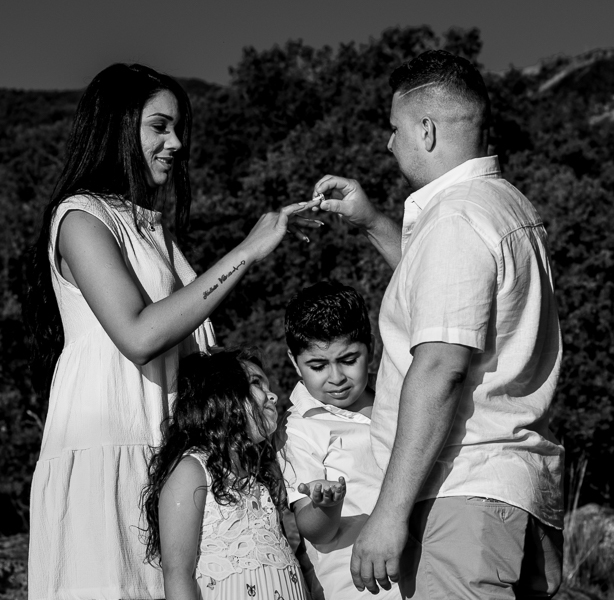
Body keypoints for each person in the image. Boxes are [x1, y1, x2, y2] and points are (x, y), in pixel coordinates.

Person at [24, 63, 318, 600]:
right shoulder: (80, 219)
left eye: (178, 128)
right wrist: (249, 250)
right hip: (109, 445)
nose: (176, 142)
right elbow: (137, 335)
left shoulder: (154, 231)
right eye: (159, 126)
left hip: (169, 454)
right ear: (117, 126)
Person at [313, 50, 565, 599]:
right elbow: (448, 307)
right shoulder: (507, 208)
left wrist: (388, 513)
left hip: (462, 493)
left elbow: (442, 367)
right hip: (512, 489)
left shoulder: (454, 220)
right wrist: (375, 223)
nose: (389, 144)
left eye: (394, 129)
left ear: (425, 129)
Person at [142, 350, 309, 600]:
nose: (272, 395)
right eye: (256, 383)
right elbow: (177, 573)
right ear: (220, 395)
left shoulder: (260, 477)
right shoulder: (192, 470)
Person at [280, 280, 400, 600]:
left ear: (371, 350)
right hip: (364, 589)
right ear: (295, 363)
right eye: (318, 365)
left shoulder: (401, 401)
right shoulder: (300, 430)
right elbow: (313, 528)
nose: (336, 378)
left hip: (430, 572)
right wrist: (325, 506)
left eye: (348, 360)